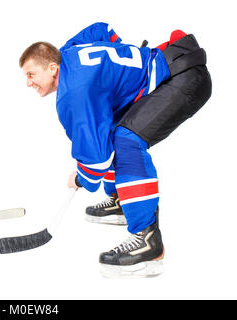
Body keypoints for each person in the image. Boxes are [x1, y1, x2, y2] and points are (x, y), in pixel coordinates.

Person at [19, 22, 211, 277]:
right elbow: (101, 29)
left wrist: (80, 178)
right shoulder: (68, 50)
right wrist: (119, 70)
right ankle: (122, 200)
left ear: (53, 68)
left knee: (126, 139)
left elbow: (96, 163)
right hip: (177, 59)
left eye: (31, 74)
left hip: (183, 77)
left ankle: (148, 240)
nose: (28, 83)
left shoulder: (74, 93)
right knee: (112, 126)